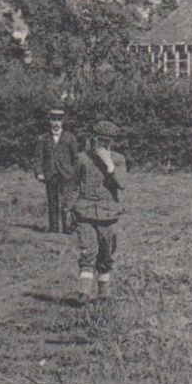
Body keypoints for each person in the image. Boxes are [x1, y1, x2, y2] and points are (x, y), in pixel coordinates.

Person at [71, 120, 127, 302]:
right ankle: (84, 292)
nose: (103, 145)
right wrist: (67, 209)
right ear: (93, 140)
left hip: (108, 214)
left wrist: (110, 166)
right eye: (100, 140)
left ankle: (104, 294)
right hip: (85, 213)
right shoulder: (82, 159)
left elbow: (122, 184)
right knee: (88, 251)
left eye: (108, 141)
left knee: (106, 253)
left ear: (112, 142)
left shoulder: (118, 160)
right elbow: (72, 184)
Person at [33, 108, 80, 234]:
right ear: (49, 121)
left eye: (58, 120)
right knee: (52, 201)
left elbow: (75, 158)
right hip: (50, 175)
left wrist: (75, 174)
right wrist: (39, 172)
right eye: (53, 120)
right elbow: (38, 157)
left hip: (67, 175)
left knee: (68, 202)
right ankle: (53, 227)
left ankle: (68, 227)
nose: (56, 123)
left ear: (62, 122)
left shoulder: (70, 138)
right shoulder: (43, 138)